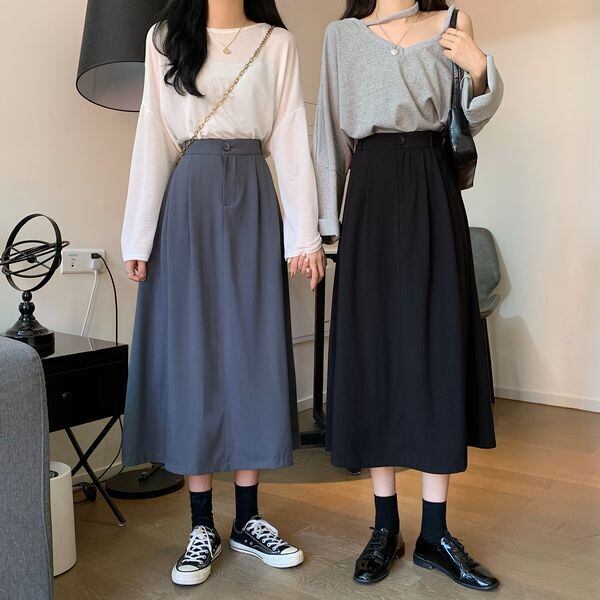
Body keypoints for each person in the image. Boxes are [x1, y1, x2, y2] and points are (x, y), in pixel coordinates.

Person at [120, 0, 326, 587]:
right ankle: (201, 525)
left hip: (253, 200)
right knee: (195, 358)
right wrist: (138, 234)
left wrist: (304, 235)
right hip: (188, 202)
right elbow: (154, 134)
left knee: (252, 355)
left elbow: (290, 133)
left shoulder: (276, 43)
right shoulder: (165, 37)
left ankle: (249, 520)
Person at [313, 0, 504, 590]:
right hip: (368, 194)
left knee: (437, 348)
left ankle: (435, 534)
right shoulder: (341, 36)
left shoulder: (453, 22)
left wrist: (479, 68)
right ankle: (384, 527)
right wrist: (324, 230)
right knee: (375, 354)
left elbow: (469, 116)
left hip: (431, 186)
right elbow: (329, 134)